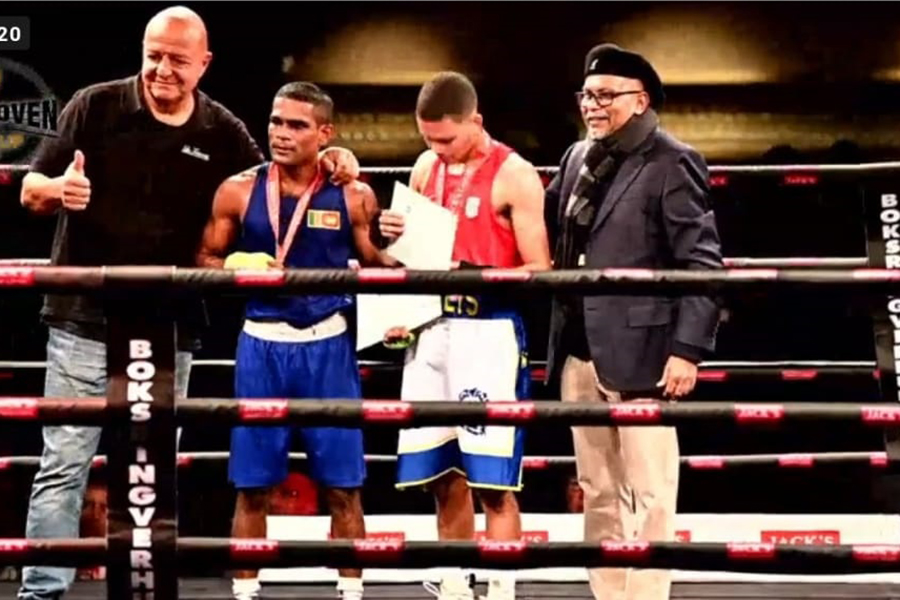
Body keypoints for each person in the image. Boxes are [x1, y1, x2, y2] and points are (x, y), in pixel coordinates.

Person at [16, 8, 358, 600]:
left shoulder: (219, 129)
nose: (162, 68)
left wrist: (337, 161)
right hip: (82, 318)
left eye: (178, 59)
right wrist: (56, 190)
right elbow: (30, 186)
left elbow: (273, 178)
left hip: (168, 325)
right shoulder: (93, 105)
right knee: (64, 464)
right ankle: (41, 592)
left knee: (149, 474)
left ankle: (145, 589)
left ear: (204, 64)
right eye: (154, 54)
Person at [197, 81, 394, 600]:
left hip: (329, 346)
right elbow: (204, 258)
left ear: (325, 133)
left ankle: (351, 594)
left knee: (344, 485)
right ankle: (244, 594)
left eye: (297, 125)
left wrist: (398, 232)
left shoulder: (353, 192)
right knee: (252, 483)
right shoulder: (237, 190)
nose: (281, 134)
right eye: (276, 122)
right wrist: (233, 264)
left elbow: (380, 263)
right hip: (260, 346)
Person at [543, 44, 723, 600]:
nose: (592, 106)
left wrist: (687, 349)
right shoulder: (578, 157)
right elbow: (541, 227)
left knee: (649, 489)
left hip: (644, 348)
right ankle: (609, 594)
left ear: (640, 100)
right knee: (597, 487)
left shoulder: (671, 159)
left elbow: (701, 261)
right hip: (577, 345)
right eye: (586, 96)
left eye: (604, 95)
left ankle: (646, 596)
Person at [378, 71, 551, 600]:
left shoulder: (514, 175)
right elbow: (404, 260)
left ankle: (500, 589)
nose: (437, 149)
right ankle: (453, 586)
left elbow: (541, 269)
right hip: (429, 332)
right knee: (441, 472)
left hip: (488, 334)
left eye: (447, 138)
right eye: (428, 138)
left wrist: (469, 269)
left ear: (476, 122)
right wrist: (391, 244)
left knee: (493, 480)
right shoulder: (427, 165)